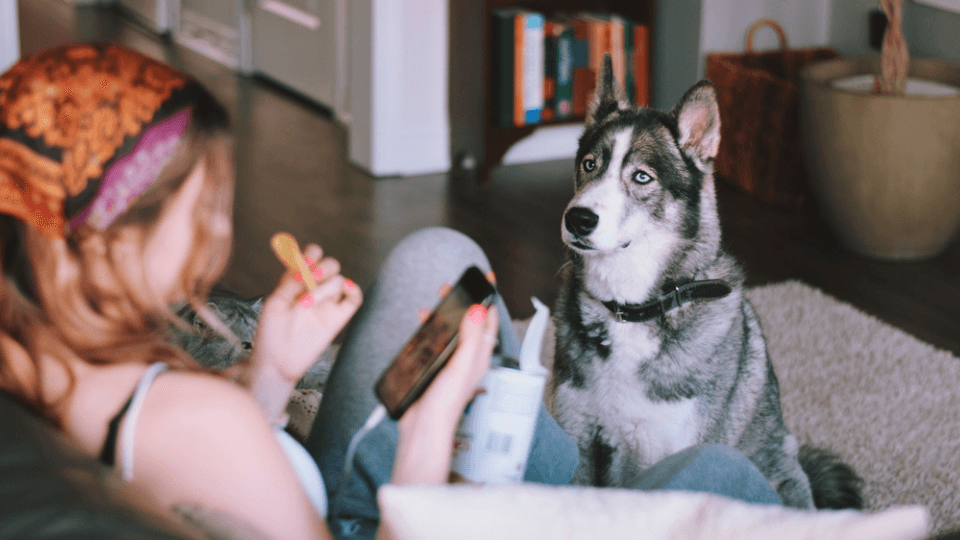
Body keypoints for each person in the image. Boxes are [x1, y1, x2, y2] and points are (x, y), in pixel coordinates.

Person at [0, 44, 780, 540]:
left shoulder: (38, 352)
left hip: (315, 474)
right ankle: (543, 471)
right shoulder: (198, 424)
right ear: (107, 236)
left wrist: (268, 373)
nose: (215, 233)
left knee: (440, 262)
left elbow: (195, 451)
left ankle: (545, 457)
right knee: (724, 479)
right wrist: (432, 424)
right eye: (200, 210)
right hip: (372, 516)